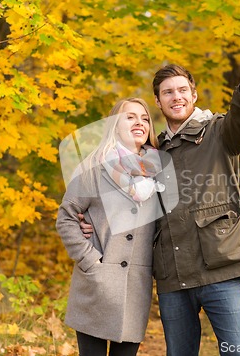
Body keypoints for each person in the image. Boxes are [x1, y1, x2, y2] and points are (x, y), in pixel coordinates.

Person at [81, 61, 240, 355]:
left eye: (182, 90)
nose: (176, 97)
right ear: (158, 101)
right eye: (168, 92)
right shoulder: (153, 151)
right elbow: (130, 200)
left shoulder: (219, 131)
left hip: (221, 268)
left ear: (193, 95)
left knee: (238, 353)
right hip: (173, 276)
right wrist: (89, 218)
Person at [56, 98, 169, 356]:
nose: (139, 122)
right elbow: (66, 217)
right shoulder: (94, 168)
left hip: (135, 287)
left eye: (144, 118)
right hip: (96, 284)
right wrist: (90, 259)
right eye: (130, 117)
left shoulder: (160, 171)